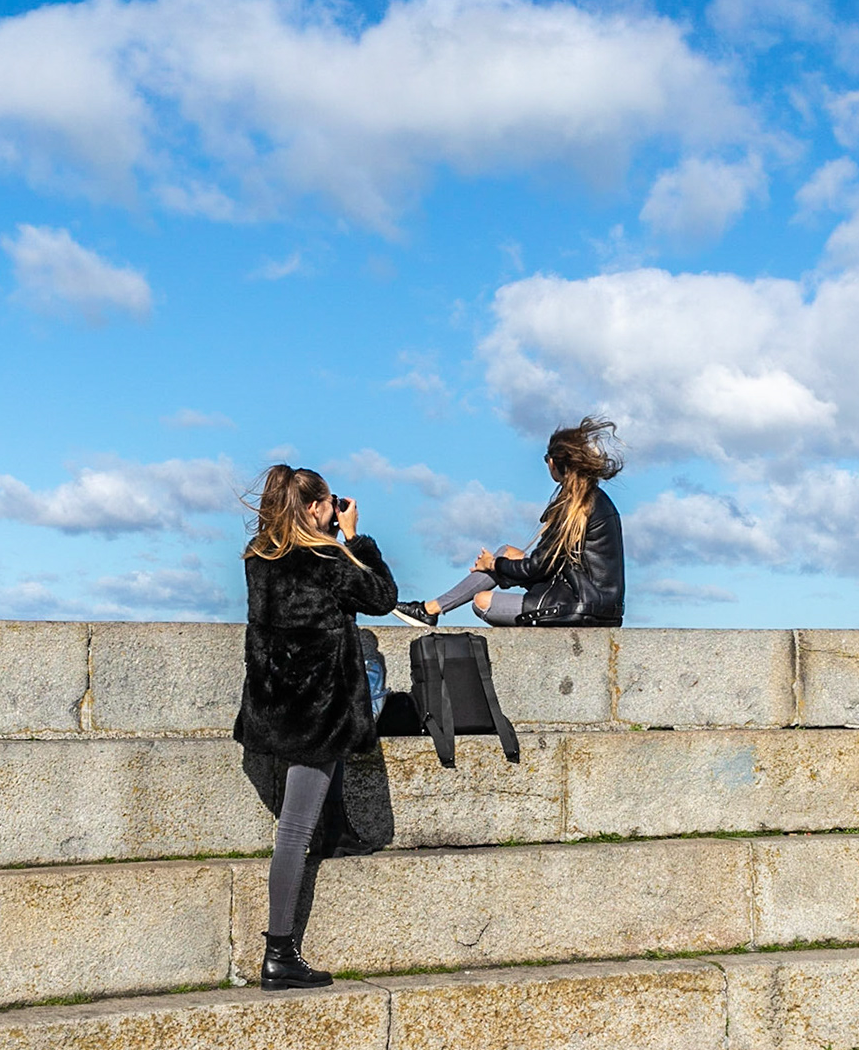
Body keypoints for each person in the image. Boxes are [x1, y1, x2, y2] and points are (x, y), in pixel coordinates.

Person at [234, 464, 398, 990]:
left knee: (305, 816)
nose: (335, 509)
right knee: (293, 831)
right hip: (316, 711)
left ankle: (338, 829)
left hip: (274, 705)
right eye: (329, 503)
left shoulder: (258, 558)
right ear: (313, 508)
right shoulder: (327, 559)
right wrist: (355, 537)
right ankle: (279, 953)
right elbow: (382, 597)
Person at [395, 416, 625, 628]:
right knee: (507, 552)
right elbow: (544, 564)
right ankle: (430, 610)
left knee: (482, 601)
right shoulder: (591, 499)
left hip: (580, 606)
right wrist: (498, 563)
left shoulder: (576, 507)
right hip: (592, 601)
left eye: (546, 459)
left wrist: (493, 565)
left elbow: (537, 567)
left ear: (554, 463)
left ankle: (429, 610)